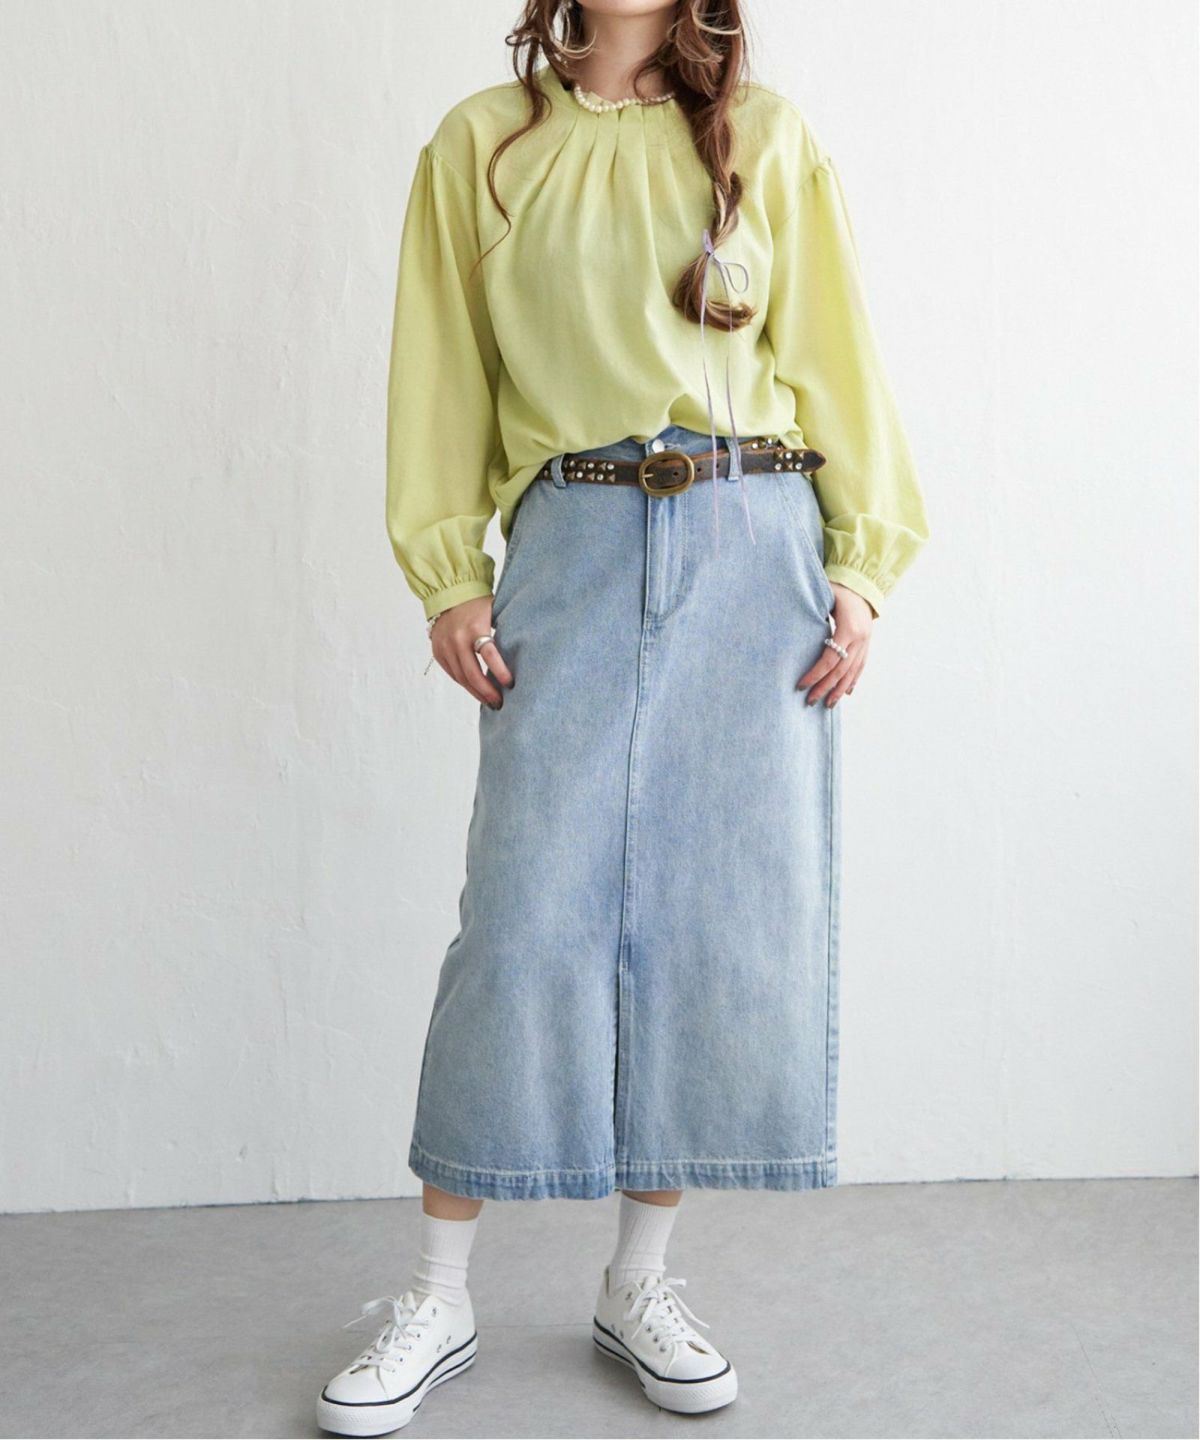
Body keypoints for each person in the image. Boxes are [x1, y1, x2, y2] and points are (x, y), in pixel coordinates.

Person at [317, 1, 928, 1433]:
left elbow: (838, 357)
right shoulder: (485, 144)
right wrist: (450, 573)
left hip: (755, 541)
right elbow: (442, 371)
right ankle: (439, 1293)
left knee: (705, 917)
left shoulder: (762, 137)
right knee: (522, 918)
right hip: (575, 538)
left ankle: (638, 1282)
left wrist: (860, 569)